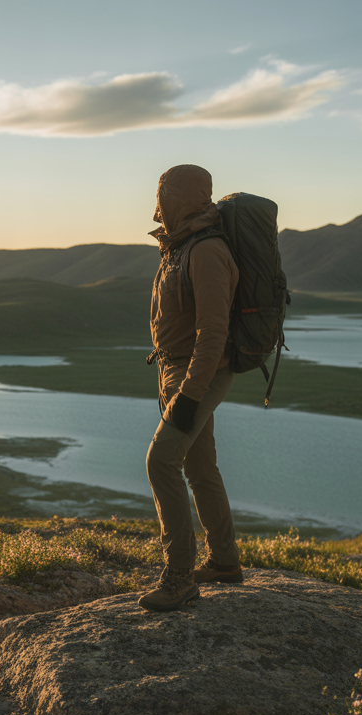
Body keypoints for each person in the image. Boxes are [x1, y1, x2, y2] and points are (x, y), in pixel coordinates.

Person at [139, 164, 243, 613]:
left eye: (165, 195)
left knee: (161, 461)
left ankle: (180, 575)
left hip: (197, 372)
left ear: (183, 198)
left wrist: (189, 395)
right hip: (175, 370)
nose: (158, 204)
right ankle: (224, 561)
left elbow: (213, 333)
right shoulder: (179, 245)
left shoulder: (205, 250)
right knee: (200, 467)